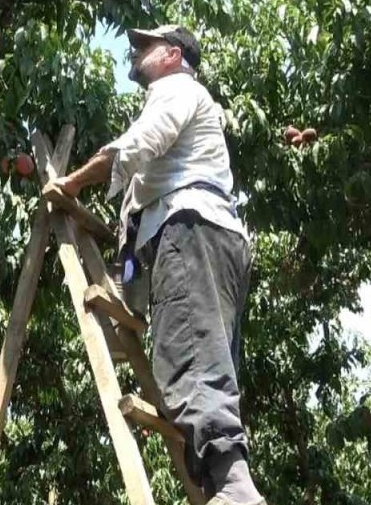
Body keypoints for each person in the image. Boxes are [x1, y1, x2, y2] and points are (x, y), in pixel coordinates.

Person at [43, 25, 265, 505]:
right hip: (210, 237)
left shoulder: (177, 89)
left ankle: (234, 492)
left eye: (145, 46)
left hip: (190, 232)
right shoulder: (189, 110)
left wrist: (73, 184)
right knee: (205, 359)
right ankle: (223, 486)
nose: (136, 51)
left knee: (195, 362)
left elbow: (136, 144)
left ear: (172, 54)